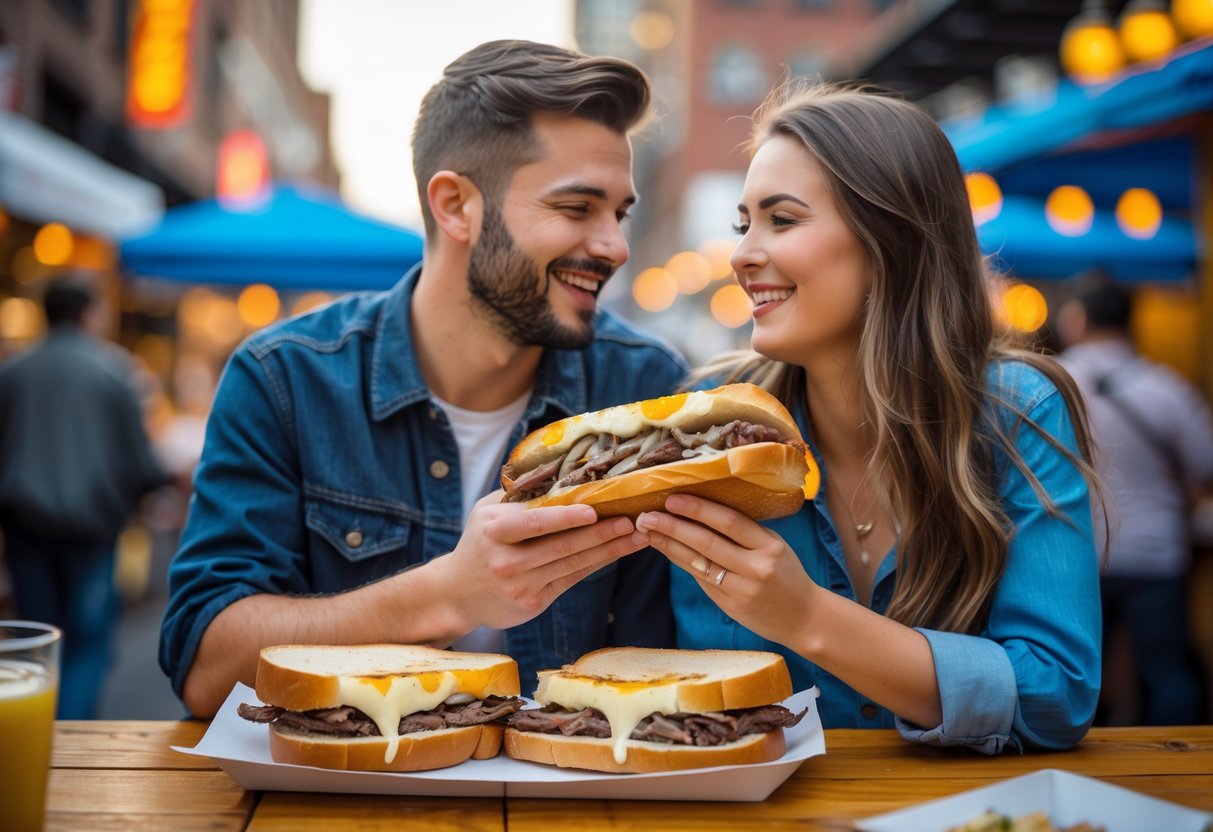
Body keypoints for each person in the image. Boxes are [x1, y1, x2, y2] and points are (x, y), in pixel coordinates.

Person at [159, 40, 687, 717]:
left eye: (619, 213)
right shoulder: (286, 380)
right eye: (576, 207)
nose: (614, 245)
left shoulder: (646, 386)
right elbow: (206, 669)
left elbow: (657, 676)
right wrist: (448, 595)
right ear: (454, 205)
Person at [633, 82, 1105, 753]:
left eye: (783, 219)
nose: (740, 254)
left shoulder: (1016, 413)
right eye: (744, 224)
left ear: (890, 239)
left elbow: (1056, 695)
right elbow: (708, 704)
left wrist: (805, 616)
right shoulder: (708, 429)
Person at [0, 276, 168, 718]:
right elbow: (139, 460)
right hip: (93, 526)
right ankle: (68, 740)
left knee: (35, 638)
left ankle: (32, 730)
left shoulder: (12, 372)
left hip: (24, 525)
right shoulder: (114, 372)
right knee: (88, 640)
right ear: (90, 314)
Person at [1056, 271, 1213, 726]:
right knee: (1165, 674)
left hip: (1079, 552)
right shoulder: (1168, 388)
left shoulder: (1054, 383)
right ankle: (1178, 771)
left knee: (1075, 675)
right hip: (1156, 554)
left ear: (1076, 319)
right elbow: (1205, 464)